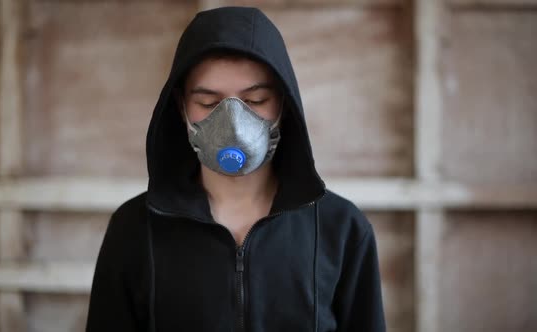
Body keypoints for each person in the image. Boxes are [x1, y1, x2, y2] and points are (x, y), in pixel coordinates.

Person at [86, 6, 385, 332]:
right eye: (208, 103)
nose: (233, 125)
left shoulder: (342, 230)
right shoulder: (133, 229)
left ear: (284, 104)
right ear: (180, 106)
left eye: (255, 100)